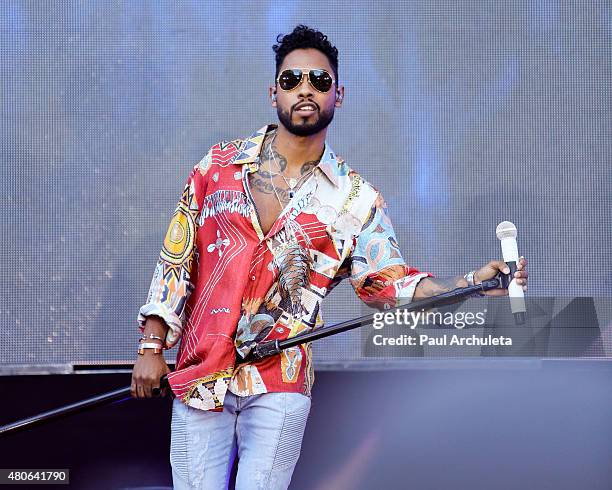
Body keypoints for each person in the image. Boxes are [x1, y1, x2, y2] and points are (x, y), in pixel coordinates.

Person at [131, 25, 528, 490]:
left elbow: (388, 283)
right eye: (291, 79)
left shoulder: (355, 200)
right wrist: (152, 346)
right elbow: (176, 260)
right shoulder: (216, 167)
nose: (305, 89)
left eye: (319, 81)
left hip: (280, 381)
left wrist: (467, 284)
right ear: (272, 92)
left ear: (338, 95)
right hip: (200, 375)